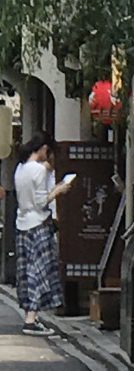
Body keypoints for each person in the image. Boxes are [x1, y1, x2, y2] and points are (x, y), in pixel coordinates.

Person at [14, 133, 71, 335]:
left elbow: (30, 198)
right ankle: (31, 320)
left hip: (22, 224)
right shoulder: (39, 170)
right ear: (44, 149)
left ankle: (32, 317)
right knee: (39, 272)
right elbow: (41, 202)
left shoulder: (20, 168)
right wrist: (60, 190)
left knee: (27, 272)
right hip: (38, 224)